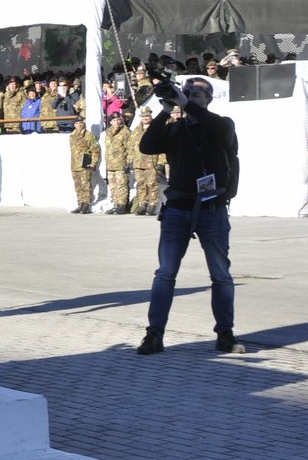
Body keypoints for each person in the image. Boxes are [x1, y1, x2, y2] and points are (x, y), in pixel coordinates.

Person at [136, 76, 243, 355]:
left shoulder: (221, 125)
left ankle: (225, 334)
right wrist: (165, 109)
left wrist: (187, 104)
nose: (191, 97)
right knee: (165, 274)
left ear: (208, 99)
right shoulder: (176, 129)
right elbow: (146, 146)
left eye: (198, 94)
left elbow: (217, 128)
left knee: (221, 274)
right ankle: (154, 334)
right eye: (187, 93)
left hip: (211, 209)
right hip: (178, 209)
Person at [130, 108, 162, 215]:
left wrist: (161, 162)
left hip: (152, 162)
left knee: (152, 184)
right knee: (141, 184)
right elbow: (131, 145)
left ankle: (152, 205)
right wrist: (130, 159)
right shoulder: (137, 130)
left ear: (151, 117)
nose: (145, 118)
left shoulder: (157, 129)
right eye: (143, 116)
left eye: (147, 116)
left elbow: (163, 146)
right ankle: (142, 204)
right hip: (138, 163)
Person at [102, 112, 134, 214]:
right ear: (110, 122)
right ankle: (116, 204)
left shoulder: (126, 132)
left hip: (121, 163)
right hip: (110, 164)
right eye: (114, 120)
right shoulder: (108, 132)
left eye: (118, 119)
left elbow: (131, 148)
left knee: (122, 185)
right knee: (113, 185)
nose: (117, 122)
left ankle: (122, 205)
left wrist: (129, 161)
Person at [68, 120, 99, 213]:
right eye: (77, 123)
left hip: (85, 164)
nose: (79, 125)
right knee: (78, 186)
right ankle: (80, 203)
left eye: (81, 123)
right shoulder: (72, 136)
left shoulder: (88, 135)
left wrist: (93, 163)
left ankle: (86, 204)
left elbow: (95, 150)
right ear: (74, 125)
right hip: (74, 164)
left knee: (86, 185)